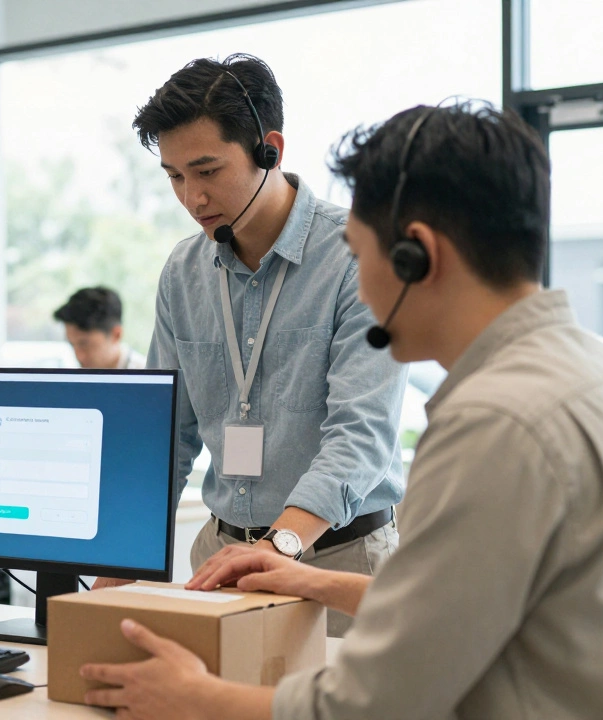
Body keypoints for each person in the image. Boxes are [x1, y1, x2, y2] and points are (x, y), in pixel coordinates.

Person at [79, 104, 603, 719]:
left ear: (416, 256)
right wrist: (306, 578)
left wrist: (195, 697)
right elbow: (458, 608)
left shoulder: (494, 424)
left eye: (357, 250)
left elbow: (372, 705)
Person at [113, 54, 405, 637]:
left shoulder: (355, 255)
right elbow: (166, 434)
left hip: (339, 559)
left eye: (207, 170)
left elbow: (361, 433)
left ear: (270, 150)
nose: (193, 198)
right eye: (174, 177)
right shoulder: (183, 272)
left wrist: (279, 546)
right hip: (221, 557)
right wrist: (122, 559)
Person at [54, 286, 146, 369]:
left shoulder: (145, 376)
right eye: (72, 344)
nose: (79, 356)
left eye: (84, 344)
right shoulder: (79, 377)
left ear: (116, 335)